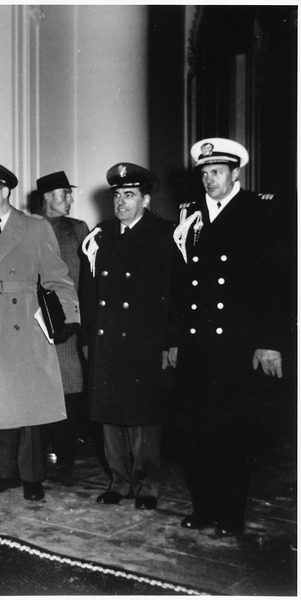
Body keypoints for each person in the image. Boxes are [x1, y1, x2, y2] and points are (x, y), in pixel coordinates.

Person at [168, 138, 288, 536]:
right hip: (198, 345)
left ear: (237, 173)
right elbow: (181, 286)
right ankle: (204, 508)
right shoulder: (192, 215)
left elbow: (277, 283)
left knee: (233, 434)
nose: (209, 179)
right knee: (196, 432)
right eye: (204, 173)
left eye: (217, 171)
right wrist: (173, 339)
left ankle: (230, 516)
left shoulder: (260, 211)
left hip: (238, 346)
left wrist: (270, 341)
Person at [0, 159, 80, 502]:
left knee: (29, 408)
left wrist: (69, 317)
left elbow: (57, 277)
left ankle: (33, 476)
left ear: (6, 191)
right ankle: (5, 475)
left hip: (27, 323)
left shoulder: (35, 228)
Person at [80, 163, 178, 510]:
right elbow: (89, 291)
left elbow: (175, 293)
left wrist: (170, 342)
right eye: (117, 195)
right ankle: (119, 481)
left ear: (145, 199)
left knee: (143, 416)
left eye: (129, 195)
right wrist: (88, 337)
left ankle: (146, 485)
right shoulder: (102, 234)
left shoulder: (166, 234)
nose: (121, 202)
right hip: (107, 338)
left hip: (144, 339)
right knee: (109, 413)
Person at [36, 171, 89, 479]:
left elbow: (90, 276)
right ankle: (42, 454)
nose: (70, 199)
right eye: (64, 194)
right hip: (40, 322)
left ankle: (66, 456)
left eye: (70, 193)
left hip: (71, 323)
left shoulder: (78, 229)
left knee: (70, 388)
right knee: (42, 389)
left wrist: (78, 318)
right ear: (47, 198)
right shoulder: (30, 227)